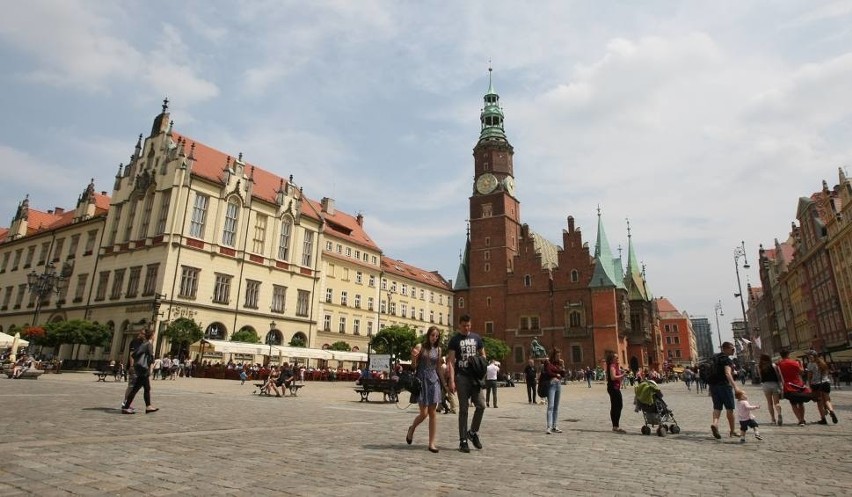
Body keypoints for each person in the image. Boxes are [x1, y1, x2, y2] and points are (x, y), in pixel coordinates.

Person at [446, 314, 486, 453]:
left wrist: (478, 364)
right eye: (464, 325)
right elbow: (450, 361)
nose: (466, 328)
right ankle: (463, 440)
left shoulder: (476, 338)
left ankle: (473, 432)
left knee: (481, 405)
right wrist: (451, 380)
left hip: (475, 377)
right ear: (459, 325)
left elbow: (483, 356)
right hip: (461, 377)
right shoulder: (454, 340)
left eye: (468, 325)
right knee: (463, 409)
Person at [406, 326, 443, 453]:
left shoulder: (438, 350)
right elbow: (413, 366)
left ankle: (431, 443)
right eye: (433, 335)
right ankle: (412, 428)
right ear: (428, 335)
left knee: (433, 413)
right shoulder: (420, 346)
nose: (435, 338)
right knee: (424, 413)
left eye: (437, 336)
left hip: (433, 381)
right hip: (422, 381)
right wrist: (414, 358)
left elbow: (438, 368)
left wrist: (444, 384)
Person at [122, 329, 158, 414]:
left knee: (147, 388)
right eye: (154, 335)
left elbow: (134, 355)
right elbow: (151, 357)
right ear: (151, 336)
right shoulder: (148, 345)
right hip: (144, 369)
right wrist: (151, 367)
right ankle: (126, 407)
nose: (154, 336)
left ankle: (148, 406)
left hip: (141, 369)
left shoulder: (143, 344)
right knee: (135, 389)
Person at [708, 341, 738, 439]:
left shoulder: (714, 358)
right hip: (724, 386)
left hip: (713, 386)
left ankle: (715, 424)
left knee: (717, 407)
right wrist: (735, 387)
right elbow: (727, 374)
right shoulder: (726, 360)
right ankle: (732, 431)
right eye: (732, 349)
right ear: (725, 349)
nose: (734, 350)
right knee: (730, 409)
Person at [776, 348, 810, 426]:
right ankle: (803, 419)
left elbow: (778, 375)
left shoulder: (779, 364)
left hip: (788, 386)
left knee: (793, 403)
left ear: (781, 355)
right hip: (798, 385)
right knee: (801, 403)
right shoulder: (794, 362)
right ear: (788, 354)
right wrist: (800, 364)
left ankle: (800, 420)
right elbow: (801, 372)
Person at [806, 351, 837, 425]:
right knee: (827, 400)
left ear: (812, 356)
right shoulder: (823, 362)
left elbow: (809, 376)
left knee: (819, 402)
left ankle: (823, 419)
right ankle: (831, 411)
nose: (808, 358)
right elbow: (827, 373)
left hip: (816, 384)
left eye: (809, 356)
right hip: (826, 383)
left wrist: (809, 385)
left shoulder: (810, 364)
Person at [542, 349, 566, 434]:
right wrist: (556, 374)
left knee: (556, 407)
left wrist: (563, 365)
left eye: (560, 356)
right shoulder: (548, 363)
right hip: (551, 385)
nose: (559, 357)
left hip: (558, 385)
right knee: (551, 406)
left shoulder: (558, 364)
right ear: (554, 356)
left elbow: (563, 374)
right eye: (557, 356)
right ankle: (549, 426)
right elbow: (548, 372)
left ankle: (555, 426)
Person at [757, 353, 783, 426]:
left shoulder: (760, 367)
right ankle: (779, 414)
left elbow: (760, 377)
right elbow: (778, 376)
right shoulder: (774, 365)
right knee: (776, 403)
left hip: (766, 385)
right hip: (774, 384)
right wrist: (780, 385)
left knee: (769, 403)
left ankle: (773, 419)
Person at [605, 351, 626, 434]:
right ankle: (615, 426)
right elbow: (613, 377)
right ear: (612, 359)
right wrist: (622, 375)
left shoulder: (615, 366)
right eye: (616, 357)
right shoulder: (612, 366)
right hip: (613, 388)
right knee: (617, 406)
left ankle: (615, 426)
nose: (618, 359)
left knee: (616, 406)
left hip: (614, 388)